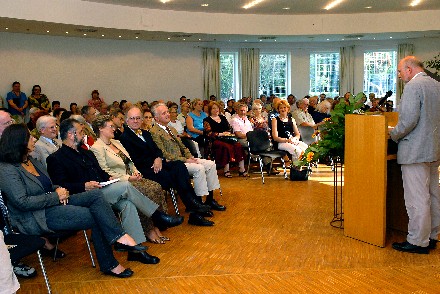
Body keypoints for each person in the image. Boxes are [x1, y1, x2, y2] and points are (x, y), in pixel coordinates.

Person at [0, 124, 149, 278]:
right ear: (19, 142)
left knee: (96, 195)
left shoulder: (31, 160)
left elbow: (49, 185)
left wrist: (58, 189)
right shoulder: (7, 169)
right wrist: (56, 196)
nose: (34, 139)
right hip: (36, 216)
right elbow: (22, 202)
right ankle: (111, 262)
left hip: (54, 204)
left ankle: (119, 238)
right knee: (97, 215)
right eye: (30, 136)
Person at [46, 118, 183, 263]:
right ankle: (156, 215)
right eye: (80, 132)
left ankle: (135, 250)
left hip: (102, 190)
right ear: (70, 134)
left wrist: (110, 178)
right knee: (125, 187)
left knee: (127, 205)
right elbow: (60, 185)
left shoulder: (86, 153)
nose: (84, 135)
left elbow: (101, 173)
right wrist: (84, 185)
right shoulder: (56, 158)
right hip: (83, 196)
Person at [119, 107, 214, 226]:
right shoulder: (124, 138)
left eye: (138, 118)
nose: (136, 121)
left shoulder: (145, 133)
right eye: (132, 118)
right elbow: (135, 159)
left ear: (142, 119)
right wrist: (155, 161)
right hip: (146, 169)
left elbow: (157, 150)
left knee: (179, 166)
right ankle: (194, 208)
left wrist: (158, 158)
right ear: (126, 121)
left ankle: (193, 207)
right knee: (176, 176)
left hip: (159, 163)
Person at [90, 115, 178, 244]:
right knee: (146, 191)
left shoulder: (117, 142)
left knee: (156, 186)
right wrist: (128, 177)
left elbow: (130, 162)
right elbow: (106, 172)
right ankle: (150, 229)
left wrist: (136, 172)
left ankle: (157, 225)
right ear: (101, 129)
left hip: (132, 177)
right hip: (119, 182)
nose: (114, 129)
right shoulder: (97, 148)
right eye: (111, 126)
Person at [389, 56, 440, 254]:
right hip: (433, 149)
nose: (400, 76)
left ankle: (418, 241)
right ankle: (432, 235)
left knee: (417, 198)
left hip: (415, 150)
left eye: (400, 72)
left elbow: (408, 121)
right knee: (433, 194)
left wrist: (393, 135)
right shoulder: (436, 85)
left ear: (409, 69)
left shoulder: (413, 87)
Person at [150, 103, 225, 214]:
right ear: (156, 118)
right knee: (199, 168)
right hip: (175, 163)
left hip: (184, 159)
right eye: (164, 113)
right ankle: (198, 203)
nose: (168, 114)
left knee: (210, 164)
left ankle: (210, 200)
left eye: (167, 111)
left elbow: (182, 146)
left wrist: (189, 156)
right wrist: (185, 159)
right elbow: (163, 153)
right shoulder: (154, 132)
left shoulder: (171, 129)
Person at [203, 101, 247, 178]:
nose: (215, 110)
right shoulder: (207, 120)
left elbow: (229, 128)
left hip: (226, 138)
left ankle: (241, 169)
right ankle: (226, 170)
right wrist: (220, 134)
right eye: (213, 108)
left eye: (217, 108)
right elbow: (209, 133)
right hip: (214, 140)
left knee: (238, 145)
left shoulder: (223, 118)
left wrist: (227, 133)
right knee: (226, 147)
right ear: (210, 110)